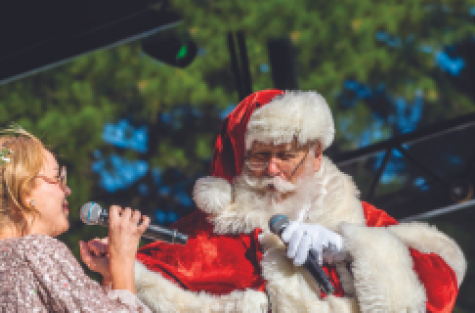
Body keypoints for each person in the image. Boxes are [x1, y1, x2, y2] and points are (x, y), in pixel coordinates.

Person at [88, 90, 466, 312]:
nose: (272, 169)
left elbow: (440, 290)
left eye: (285, 155)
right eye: (258, 156)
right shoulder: (201, 236)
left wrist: (347, 249)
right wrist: (119, 261)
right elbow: (136, 286)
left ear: (316, 154)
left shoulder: (363, 221)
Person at [0, 127, 152, 312]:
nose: (67, 190)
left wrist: (110, 277)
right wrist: (123, 261)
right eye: (58, 177)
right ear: (25, 192)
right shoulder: (35, 251)